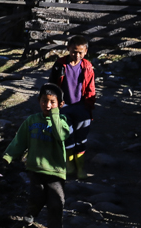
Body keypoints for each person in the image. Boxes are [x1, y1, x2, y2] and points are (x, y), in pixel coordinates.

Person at [3, 83, 72, 228]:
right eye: (44, 101)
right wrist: (9, 156)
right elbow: (20, 140)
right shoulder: (32, 120)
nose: (47, 105)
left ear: (61, 104)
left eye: (52, 102)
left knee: (56, 202)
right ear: (38, 100)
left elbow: (61, 136)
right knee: (36, 197)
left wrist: (55, 114)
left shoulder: (63, 122)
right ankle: (29, 216)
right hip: (35, 168)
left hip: (55, 171)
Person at [49, 35, 95, 178]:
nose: (76, 55)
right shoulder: (59, 65)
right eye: (74, 51)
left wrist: (89, 108)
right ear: (68, 49)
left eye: (80, 52)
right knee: (67, 135)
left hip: (81, 107)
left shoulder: (87, 66)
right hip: (64, 107)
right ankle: (69, 165)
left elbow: (91, 88)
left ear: (85, 51)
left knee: (81, 137)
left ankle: (80, 168)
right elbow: (52, 86)